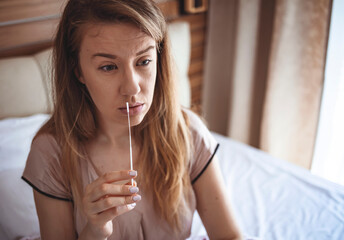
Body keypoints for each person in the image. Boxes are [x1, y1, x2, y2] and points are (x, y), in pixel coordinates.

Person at [22, 0, 242, 239]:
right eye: (108, 67)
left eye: (144, 61)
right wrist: (96, 229)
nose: (131, 87)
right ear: (78, 72)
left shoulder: (187, 132)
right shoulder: (51, 152)